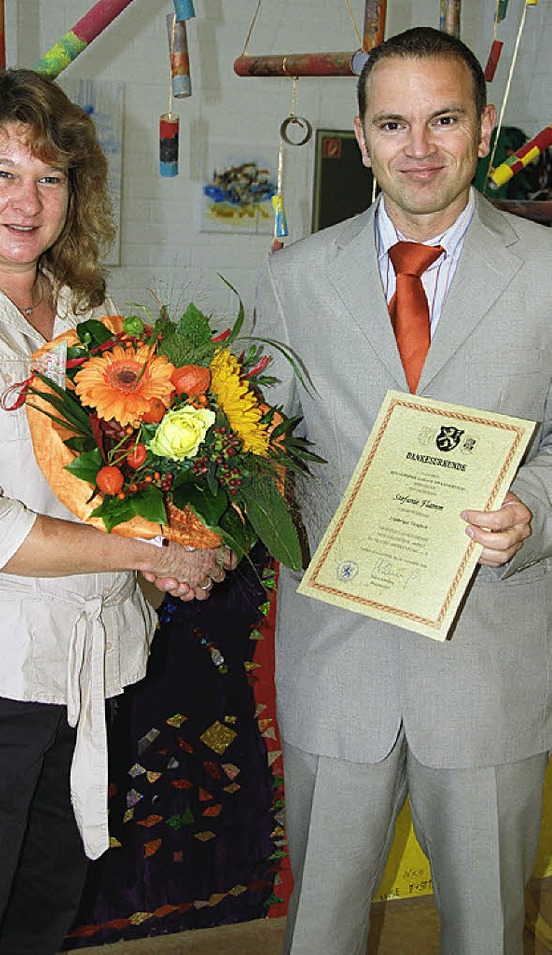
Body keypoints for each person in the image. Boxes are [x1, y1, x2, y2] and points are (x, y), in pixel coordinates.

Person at [0, 68, 232, 955]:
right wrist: (149, 555)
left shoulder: (91, 313)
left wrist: (192, 538)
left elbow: (146, 476)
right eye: (1, 172)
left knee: (44, 910)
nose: (28, 199)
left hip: (94, 668)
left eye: (50, 176)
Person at [254, 26, 552, 955]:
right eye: (394, 123)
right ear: (360, 132)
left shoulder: (547, 275)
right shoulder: (294, 276)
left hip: (489, 661)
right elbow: (265, 446)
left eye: (444, 119)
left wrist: (535, 513)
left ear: (485, 127)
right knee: (322, 929)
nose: (418, 148)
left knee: (489, 932)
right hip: (335, 658)